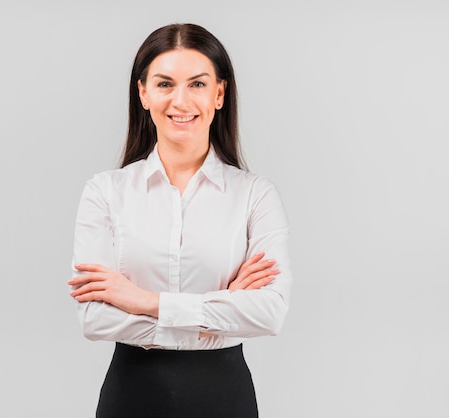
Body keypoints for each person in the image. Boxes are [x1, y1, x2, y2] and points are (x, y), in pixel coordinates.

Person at [68, 23, 292, 417]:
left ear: (219, 94)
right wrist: (218, 313)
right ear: (143, 93)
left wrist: (142, 301)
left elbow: (269, 313)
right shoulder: (105, 192)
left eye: (198, 84)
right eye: (165, 83)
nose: (181, 100)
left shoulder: (255, 196)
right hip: (131, 396)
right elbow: (95, 319)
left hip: (224, 397)